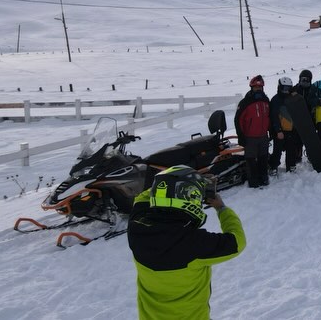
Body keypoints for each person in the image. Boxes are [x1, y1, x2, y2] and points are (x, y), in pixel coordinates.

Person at [128, 165, 245, 320]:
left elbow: (142, 198)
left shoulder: (137, 228)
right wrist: (221, 209)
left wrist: (171, 181)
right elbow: (237, 241)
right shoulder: (195, 243)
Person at [234, 75, 271, 188]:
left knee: (263, 158)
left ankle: (263, 177)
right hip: (250, 137)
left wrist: (270, 131)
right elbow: (238, 120)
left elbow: (269, 117)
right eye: (255, 87)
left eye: (260, 87)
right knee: (250, 160)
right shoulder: (245, 102)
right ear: (251, 87)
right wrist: (241, 136)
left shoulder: (266, 101)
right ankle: (253, 180)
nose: (258, 89)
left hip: (263, 136)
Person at [269, 76, 300, 174]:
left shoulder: (292, 98)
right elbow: (273, 116)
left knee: (291, 149)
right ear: (280, 87)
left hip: (291, 129)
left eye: (288, 88)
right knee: (277, 150)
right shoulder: (276, 99)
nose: (286, 91)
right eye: (284, 88)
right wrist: (278, 130)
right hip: (280, 131)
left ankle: (291, 165)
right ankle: (273, 167)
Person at [288, 70, 317, 165]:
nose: (305, 81)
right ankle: (297, 155)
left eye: (307, 79)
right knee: (297, 138)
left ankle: (311, 155)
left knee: (310, 138)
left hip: (309, 117)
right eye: (303, 79)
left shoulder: (313, 89)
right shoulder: (294, 89)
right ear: (300, 79)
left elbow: (315, 101)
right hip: (296, 117)